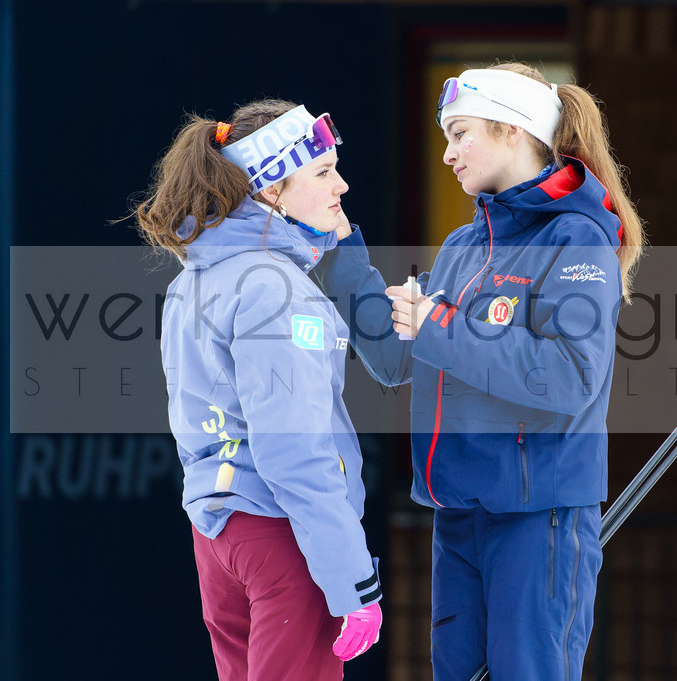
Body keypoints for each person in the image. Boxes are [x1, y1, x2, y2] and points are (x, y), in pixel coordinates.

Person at [317, 63, 644, 680]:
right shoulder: (464, 247)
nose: (447, 154)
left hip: (537, 515)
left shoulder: (576, 238)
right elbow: (393, 361)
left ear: (513, 130)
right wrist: (341, 250)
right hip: (459, 511)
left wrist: (439, 325)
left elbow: (569, 377)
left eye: (461, 133)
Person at [133, 99, 382, 680]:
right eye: (322, 173)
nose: (341, 185)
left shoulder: (195, 279)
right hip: (283, 534)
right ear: (270, 191)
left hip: (216, 530)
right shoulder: (276, 287)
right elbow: (294, 449)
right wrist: (353, 582)